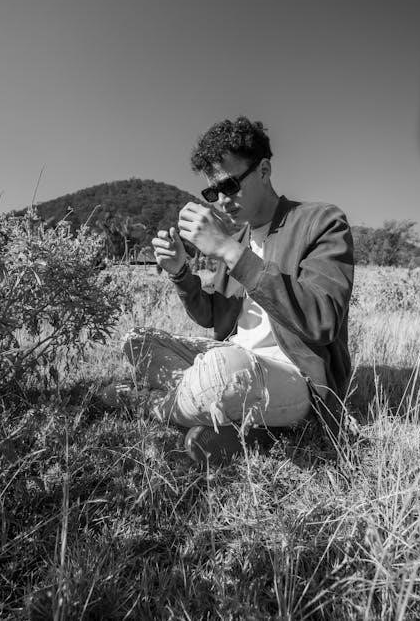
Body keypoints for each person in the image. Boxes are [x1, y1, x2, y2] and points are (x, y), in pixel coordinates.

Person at [123, 116, 356, 464]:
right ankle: (230, 417)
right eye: (211, 192)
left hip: (295, 375)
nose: (221, 200)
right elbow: (212, 316)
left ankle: (147, 402)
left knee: (220, 370)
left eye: (230, 185)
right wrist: (180, 272)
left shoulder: (320, 222)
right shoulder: (239, 239)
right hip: (234, 358)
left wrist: (230, 252)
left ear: (264, 170)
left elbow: (322, 321)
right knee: (136, 341)